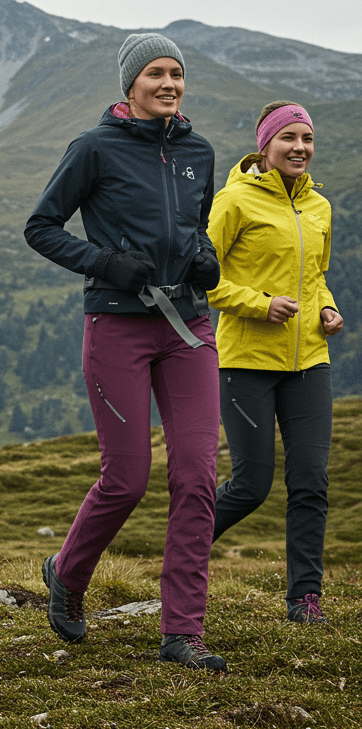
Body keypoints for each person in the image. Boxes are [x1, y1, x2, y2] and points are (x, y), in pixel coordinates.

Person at [25, 34, 226, 670]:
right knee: (128, 477)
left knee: (197, 477)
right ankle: (68, 573)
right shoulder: (93, 147)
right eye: (156, 74)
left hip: (190, 328)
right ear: (129, 84)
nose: (169, 84)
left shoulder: (198, 150)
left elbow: (199, 228)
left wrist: (207, 260)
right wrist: (105, 263)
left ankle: (183, 632)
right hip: (118, 327)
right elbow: (41, 228)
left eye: (177, 74)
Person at [208, 102, 342, 624]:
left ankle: (305, 599)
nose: (300, 148)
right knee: (250, 486)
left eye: (307, 139)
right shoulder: (233, 202)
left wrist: (326, 306)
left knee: (311, 482)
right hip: (246, 361)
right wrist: (259, 304)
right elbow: (203, 277)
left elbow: (318, 275)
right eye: (289, 137)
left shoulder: (319, 207)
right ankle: (182, 553)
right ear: (265, 144)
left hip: (310, 360)